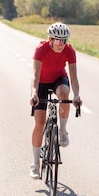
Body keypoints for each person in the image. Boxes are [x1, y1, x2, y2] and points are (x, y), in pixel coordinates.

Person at [29, 22, 82, 179]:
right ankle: (35, 163)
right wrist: (34, 93)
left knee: (64, 94)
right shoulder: (41, 49)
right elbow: (35, 75)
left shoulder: (69, 51)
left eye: (64, 40)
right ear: (50, 39)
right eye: (57, 40)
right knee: (39, 124)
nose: (61, 43)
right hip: (42, 83)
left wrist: (77, 95)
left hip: (59, 79)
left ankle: (63, 131)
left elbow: (73, 77)